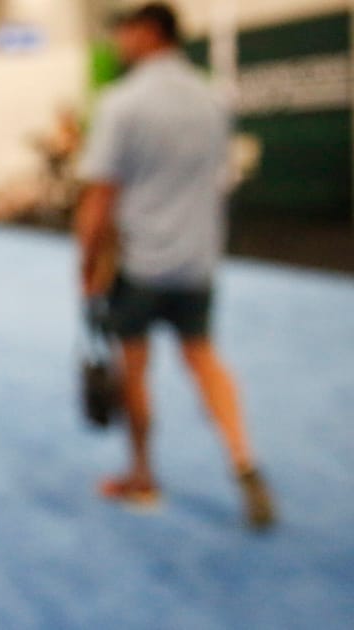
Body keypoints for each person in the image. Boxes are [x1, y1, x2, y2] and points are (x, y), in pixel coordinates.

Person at [74, 2, 274, 529]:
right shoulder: (213, 98)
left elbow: (99, 200)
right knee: (204, 358)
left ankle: (141, 476)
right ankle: (244, 461)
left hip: (139, 264)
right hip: (197, 261)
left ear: (148, 33)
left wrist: (87, 267)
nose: (118, 43)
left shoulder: (122, 102)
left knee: (134, 371)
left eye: (124, 32)